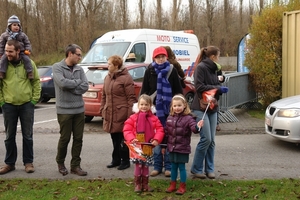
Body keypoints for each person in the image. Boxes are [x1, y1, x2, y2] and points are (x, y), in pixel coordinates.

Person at [140, 46, 183, 177]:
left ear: (166, 57)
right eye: (158, 57)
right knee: (156, 138)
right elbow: (145, 90)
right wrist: (143, 107)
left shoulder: (172, 70)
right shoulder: (150, 70)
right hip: (155, 110)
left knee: (169, 138)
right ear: (154, 58)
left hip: (170, 109)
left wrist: (178, 106)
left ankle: (168, 166)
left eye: (162, 56)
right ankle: (157, 166)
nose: (160, 59)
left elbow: (178, 89)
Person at [0, 39, 41, 175]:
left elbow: (36, 82)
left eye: (10, 51)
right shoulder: (2, 65)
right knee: (9, 136)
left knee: (27, 136)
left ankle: (28, 162)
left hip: (26, 105)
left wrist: (33, 101)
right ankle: (9, 163)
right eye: (6, 50)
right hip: (9, 106)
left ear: (18, 51)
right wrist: (2, 102)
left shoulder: (29, 64)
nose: (7, 54)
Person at [190, 46, 229, 179]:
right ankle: (196, 168)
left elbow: (218, 79)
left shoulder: (216, 68)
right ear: (213, 56)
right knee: (206, 138)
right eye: (218, 55)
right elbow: (199, 87)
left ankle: (209, 169)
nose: (219, 57)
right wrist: (218, 88)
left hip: (213, 106)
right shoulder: (201, 67)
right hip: (200, 107)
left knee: (212, 141)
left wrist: (221, 80)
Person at [52, 44, 89, 176]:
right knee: (65, 138)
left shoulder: (79, 69)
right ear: (70, 54)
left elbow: (85, 85)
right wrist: (77, 83)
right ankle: (60, 163)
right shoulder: (57, 67)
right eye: (78, 54)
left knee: (78, 139)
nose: (80, 57)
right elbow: (62, 83)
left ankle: (75, 166)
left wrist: (72, 86)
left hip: (79, 110)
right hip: (64, 110)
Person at [100, 55, 137, 170]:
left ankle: (125, 161)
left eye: (109, 64)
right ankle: (115, 159)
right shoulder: (107, 78)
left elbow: (131, 98)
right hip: (110, 113)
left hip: (122, 113)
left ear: (116, 66)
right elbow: (104, 96)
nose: (108, 66)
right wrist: (102, 109)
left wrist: (130, 116)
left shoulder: (126, 78)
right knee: (114, 138)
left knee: (123, 139)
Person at [123, 94, 165, 193]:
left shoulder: (154, 118)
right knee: (138, 165)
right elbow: (127, 130)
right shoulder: (133, 118)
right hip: (137, 146)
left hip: (148, 146)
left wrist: (156, 139)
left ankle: (145, 184)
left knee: (146, 166)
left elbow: (160, 130)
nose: (144, 106)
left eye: (146, 104)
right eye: (141, 104)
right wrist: (132, 138)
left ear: (150, 105)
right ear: (138, 105)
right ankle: (137, 184)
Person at [165, 94, 203, 195]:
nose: (177, 108)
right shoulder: (169, 118)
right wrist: (163, 145)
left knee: (181, 167)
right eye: (175, 106)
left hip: (182, 148)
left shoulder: (188, 118)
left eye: (179, 105)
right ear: (172, 107)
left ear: (184, 105)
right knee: (173, 166)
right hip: (171, 147)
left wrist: (198, 126)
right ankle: (172, 185)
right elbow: (166, 133)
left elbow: (194, 129)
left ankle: (182, 186)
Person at [0, 15, 33, 79]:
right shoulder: (5, 35)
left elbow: (27, 43)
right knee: (3, 59)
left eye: (18, 25)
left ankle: (30, 72)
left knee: (27, 59)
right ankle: (2, 72)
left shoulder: (22, 35)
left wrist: (28, 49)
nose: (16, 27)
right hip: (8, 52)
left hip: (21, 51)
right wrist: (1, 53)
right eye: (14, 25)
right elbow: (1, 44)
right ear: (9, 26)